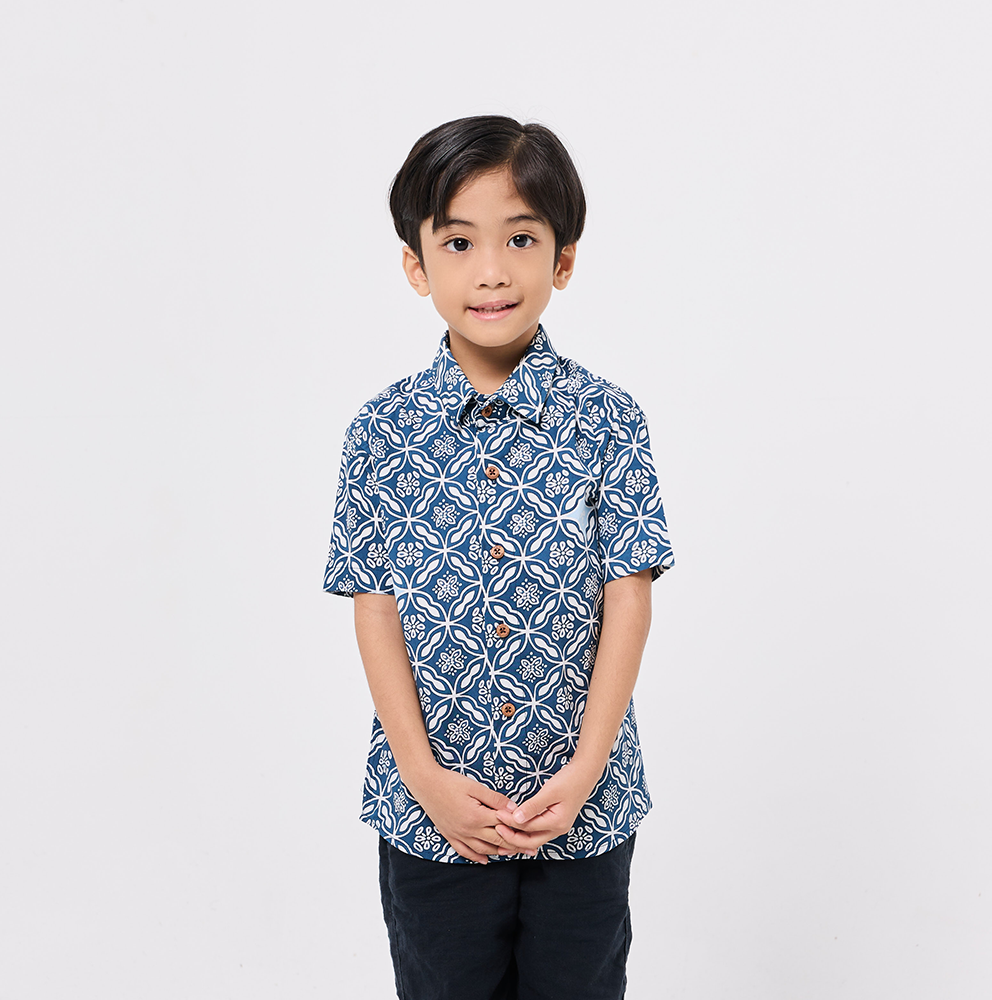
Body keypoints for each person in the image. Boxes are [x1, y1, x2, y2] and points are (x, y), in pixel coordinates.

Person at [324, 115, 674, 1000]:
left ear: (561, 260)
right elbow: (374, 608)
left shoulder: (609, 420)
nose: (491, 270)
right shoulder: (381, 432)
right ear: (417, 265)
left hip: (582, 810)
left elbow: (627, 597)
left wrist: (588, 766)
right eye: (458, 241)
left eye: (521, 238)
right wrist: (422, 776)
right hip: (432, 815)